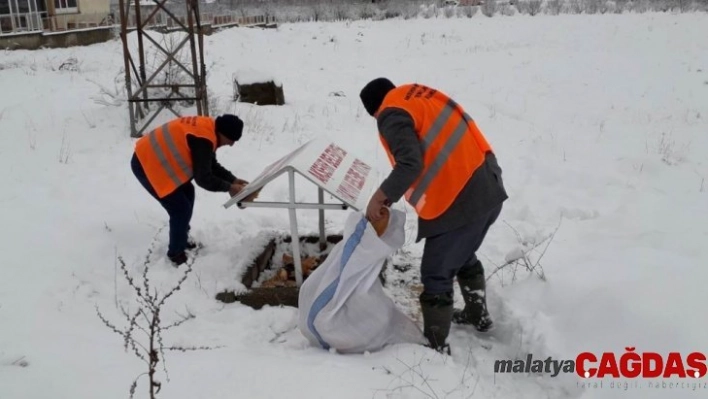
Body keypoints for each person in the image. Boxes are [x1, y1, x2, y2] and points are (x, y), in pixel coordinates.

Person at [359, 78, 508, 354]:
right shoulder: (416, 97)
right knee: (462, 254)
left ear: (373, 111)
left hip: (461, 197)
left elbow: (409, 163)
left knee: (435, 272)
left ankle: (435, 347)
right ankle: (479, 316)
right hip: (487, 183)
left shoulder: (390, 115)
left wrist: (380, 197)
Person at [131, 114, 248, 266]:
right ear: (223, 133)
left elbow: (210, 164)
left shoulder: (207, 129)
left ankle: (182, 239)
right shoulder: (203, 139)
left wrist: (232, 180)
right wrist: (229, 188)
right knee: (180, 208)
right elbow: (203, 178)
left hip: (154, 159)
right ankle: (175, 253)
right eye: (231, 140)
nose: (232, 144)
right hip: (146, 164)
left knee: (188, 193)